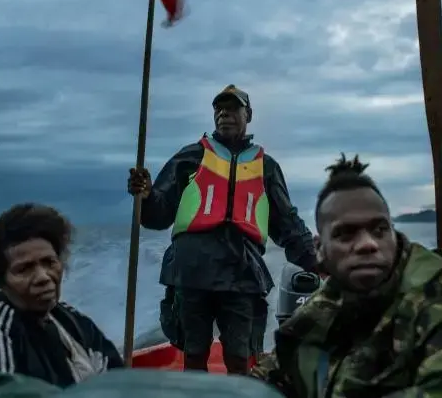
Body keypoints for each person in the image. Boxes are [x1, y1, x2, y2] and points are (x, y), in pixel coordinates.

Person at [249, 154, 442, 397]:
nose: (368, 243)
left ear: (394, 233)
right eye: (346, 233)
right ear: (320, 250)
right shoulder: (324, 310)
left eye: (379, 229)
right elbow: (274, 373)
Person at [127, 84, 320, 375]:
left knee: (240, 358)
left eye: (232, 109)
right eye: (219, 109)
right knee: (193, 355)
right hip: (191, 270)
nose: (224, 114)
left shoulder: (266, 167)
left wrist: (320, 262)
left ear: (248, 115)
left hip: (241, 273)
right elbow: (157, 214)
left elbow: (288, 224)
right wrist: (145, 194)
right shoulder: (190, 156)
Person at [0, 203, 123, 394]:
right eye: (24, 269)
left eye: (49, 262)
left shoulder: (72, 322)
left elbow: (118, 380)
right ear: (1, 281)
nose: (43, 277)